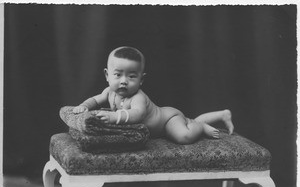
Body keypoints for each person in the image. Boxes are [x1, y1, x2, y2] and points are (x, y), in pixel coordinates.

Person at [73, 46, 234, 144]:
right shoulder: (109, 92)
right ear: (107, 75)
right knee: (188, 122)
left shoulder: (138, 98)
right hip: (161, 126)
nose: (123, 81)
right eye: (118, 75)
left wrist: (114, 117)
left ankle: (201, 126)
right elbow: (95, 100)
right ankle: (222, 114)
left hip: (167, 120)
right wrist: (84, 106)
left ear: (141, 80)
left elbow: (137, 114)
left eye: (131, 76)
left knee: (183, 137)